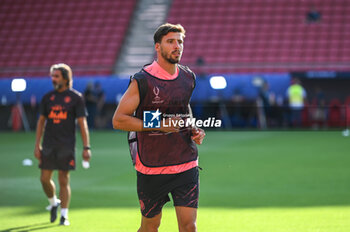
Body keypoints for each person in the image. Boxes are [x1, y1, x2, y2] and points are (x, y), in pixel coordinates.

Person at [112, 23, 205, 232]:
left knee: (189, 227)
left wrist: (193, 129)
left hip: (185, 163)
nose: (177, 46)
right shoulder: (143, 80)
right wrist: (160, 125)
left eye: (180, 42)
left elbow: (184, 109)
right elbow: (119, 120)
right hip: (152, 166)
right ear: (157, 46)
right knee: (150, 227)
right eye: (170, 41)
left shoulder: (188, 77)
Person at [34, 63, 91, 226]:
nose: (53, 79)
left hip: (66, 145)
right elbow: (41, 122)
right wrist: (37, 145)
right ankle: (53, 203)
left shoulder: (75, 98)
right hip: (49, 145)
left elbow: (82, 124)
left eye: (56, 76)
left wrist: (86, 147)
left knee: (63, 180)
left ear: (66, 78)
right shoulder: (47, 98)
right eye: (52, 76)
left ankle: (64, 215)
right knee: (44, 179)